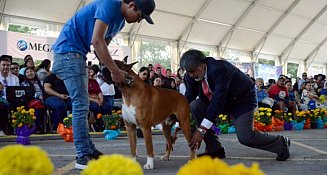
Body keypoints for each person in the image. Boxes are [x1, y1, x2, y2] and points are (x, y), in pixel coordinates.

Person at [51, 0, 155, 170]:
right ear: (132, 5)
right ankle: (83, 154)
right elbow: (96, 41)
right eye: (140, 16)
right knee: (80, 105)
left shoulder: (121, 20)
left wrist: (110, 69)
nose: (138, 20)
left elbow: (103, 46)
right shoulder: (109, 5)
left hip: (76, 55)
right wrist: (114, 71)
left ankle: (89, 150)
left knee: (82, 105)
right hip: (68, 53)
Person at [180, 49, 290, 161]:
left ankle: (281, 143)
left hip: (241, 100)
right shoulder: (191, 75)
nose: (191, 75)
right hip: (222, 100)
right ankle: (215, 150)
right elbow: (188, 97)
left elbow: (218, 101)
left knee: (246, 137)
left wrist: (201, 130)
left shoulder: (220, 69)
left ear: (203, 64)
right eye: (188, 72)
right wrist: (173, 115)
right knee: (195, 106)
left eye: (193, 71)